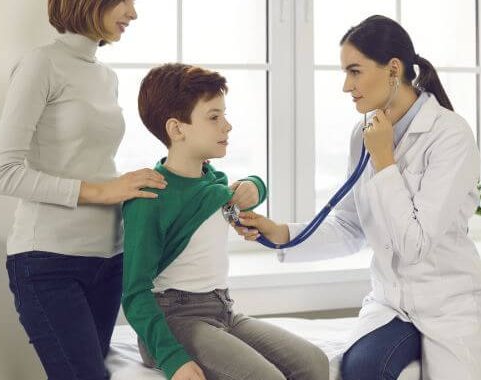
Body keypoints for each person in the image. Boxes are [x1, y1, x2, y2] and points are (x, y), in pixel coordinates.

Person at [233, 15, 481, 380]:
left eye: (355, 71)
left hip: (449, 305)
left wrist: (385, 161)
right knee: (360, 369)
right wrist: (280, 231)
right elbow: (349, 225)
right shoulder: (363, 134)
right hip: (392, 304)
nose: (347, 86)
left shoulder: (450, 135)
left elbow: (415, 244)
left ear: (393, 69)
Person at [0, 1, 170, 379]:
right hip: (49, 262)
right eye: (125, 2)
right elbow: (3, 174)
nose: (133, 14)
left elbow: (90, 161)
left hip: (109, 261)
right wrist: (105, 192)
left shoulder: (107, 77)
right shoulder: (41, 64)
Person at [122, 63, 329, 380]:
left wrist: (254, 188)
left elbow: (236, 192)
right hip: (175, 318)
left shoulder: (211, 181)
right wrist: (173, 359)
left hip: (223, 309)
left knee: (314, 362)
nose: (227, 126)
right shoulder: (150, 197)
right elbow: (135, 293)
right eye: (214, 117)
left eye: (224, 115)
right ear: (177, 129)